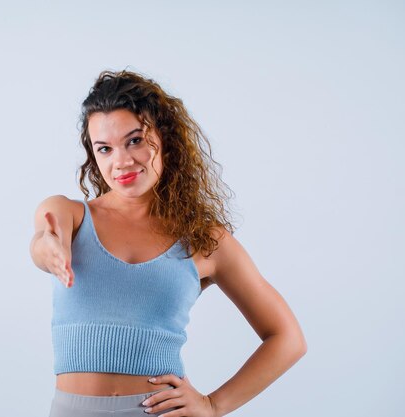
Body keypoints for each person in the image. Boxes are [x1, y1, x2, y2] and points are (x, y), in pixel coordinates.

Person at [29, 69, 307, 417]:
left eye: (134, 140)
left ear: (166, 138)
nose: (121, 161)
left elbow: (287, 338)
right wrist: (48, 251)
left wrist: (213, 404)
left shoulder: (204, 240)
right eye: (105, 148)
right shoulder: (68, 215)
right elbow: (43, 240)